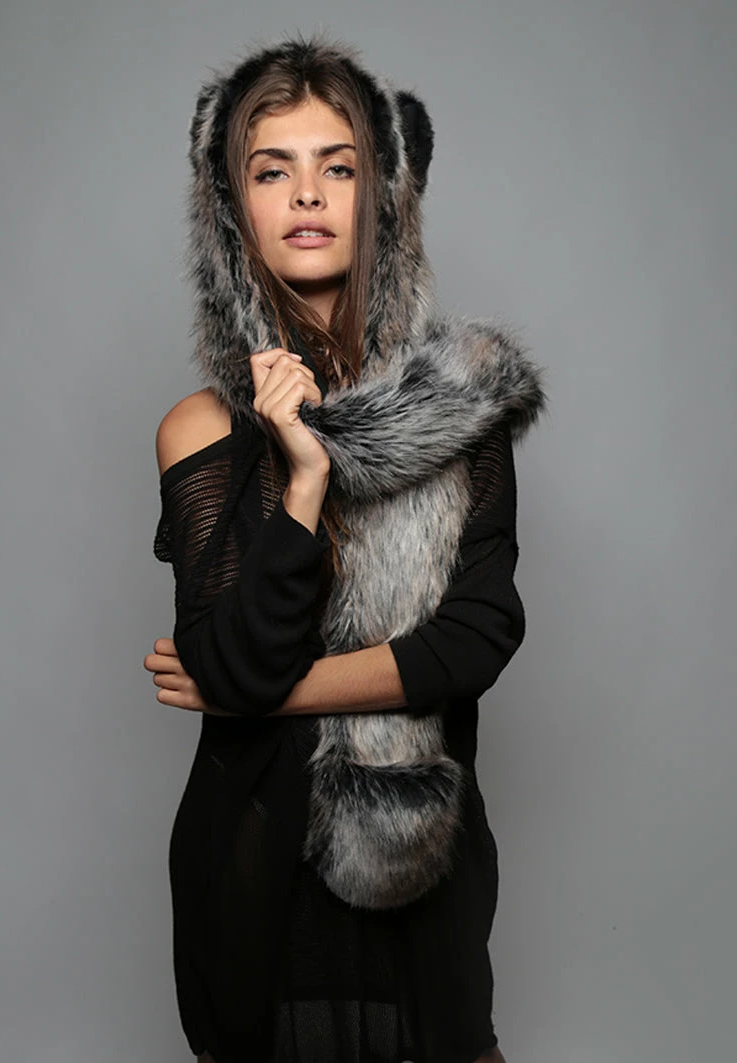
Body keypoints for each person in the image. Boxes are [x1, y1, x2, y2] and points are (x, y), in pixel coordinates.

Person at [143, 33, 545, 1063]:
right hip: (252, 887)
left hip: (427, 877)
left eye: (339, 166)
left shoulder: (460, 404)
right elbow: (240, 655)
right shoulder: (199, 432)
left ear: (381, 195)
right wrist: (304, 480)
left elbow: (475, 639)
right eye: (271, 170)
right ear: (231, 206)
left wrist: (257, 694)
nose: (308, 195)